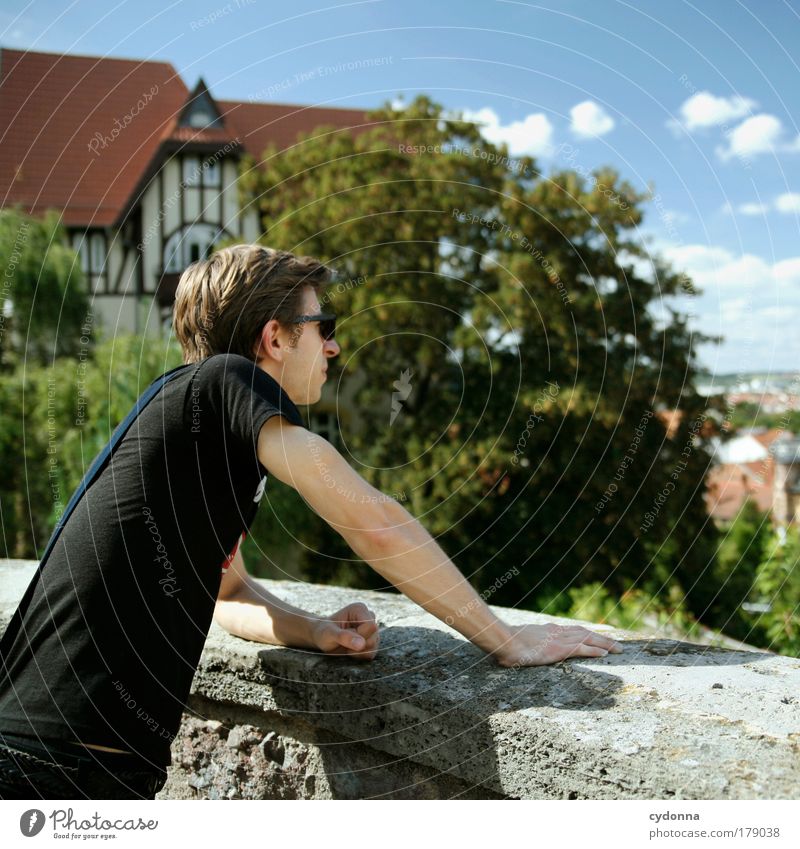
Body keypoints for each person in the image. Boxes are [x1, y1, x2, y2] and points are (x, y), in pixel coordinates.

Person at [0, 245, 622, 800]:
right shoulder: (226, 380)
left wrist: (314, 631)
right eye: (323, 326)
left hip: (61, 757)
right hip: (56, 767)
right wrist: (505, 640)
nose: (333, 346)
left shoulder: (196, 424)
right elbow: (371, 520)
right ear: (274, 338)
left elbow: (226, 592)